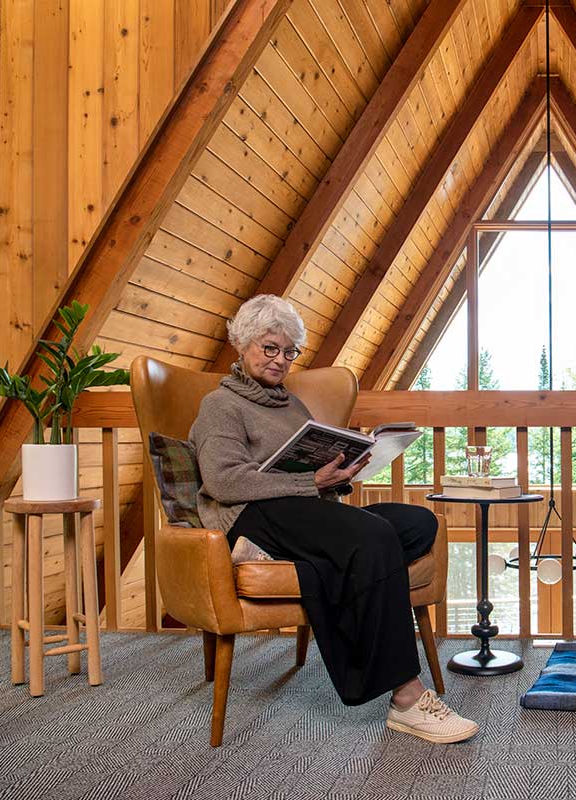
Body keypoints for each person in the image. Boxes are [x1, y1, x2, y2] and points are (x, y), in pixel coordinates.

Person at [189, 294, 478, 744]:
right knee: (372, 537)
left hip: (305, 510)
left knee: (418, 523)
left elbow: (314, 473)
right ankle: (406, 697)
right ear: (243, 344)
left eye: (289, 352)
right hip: (251, 516)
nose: (280, 360)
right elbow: (225, 483)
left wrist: (344, 471)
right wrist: (310, 484)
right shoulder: (220, 406)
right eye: (270, 348)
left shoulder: (291, 405)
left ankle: (323, 563)